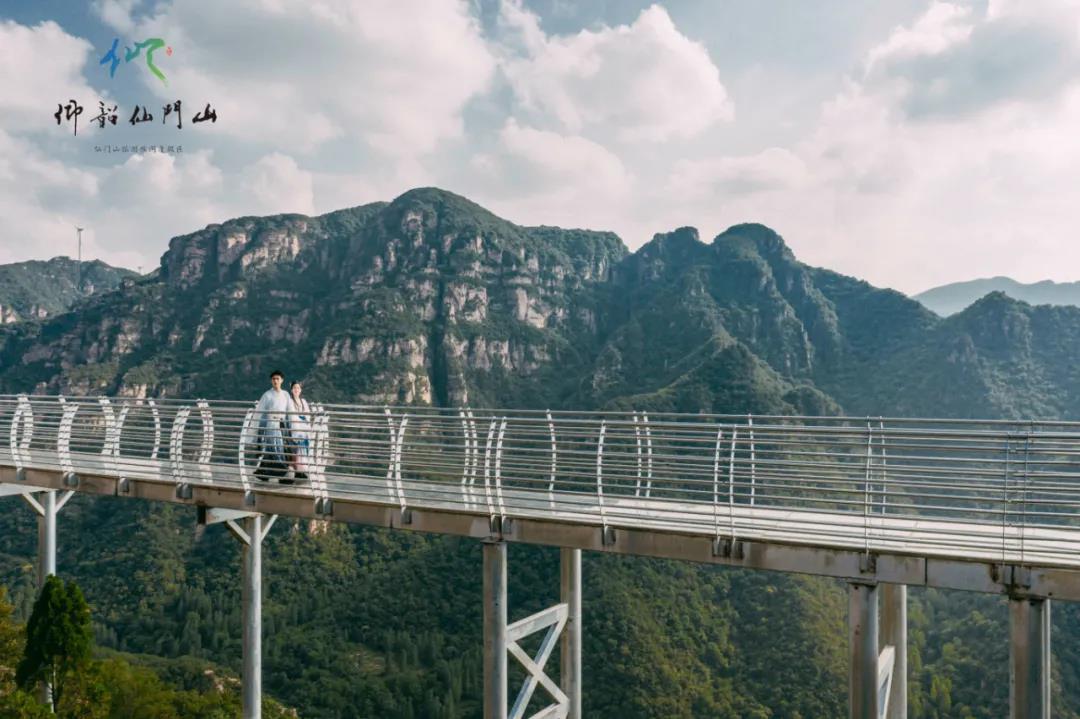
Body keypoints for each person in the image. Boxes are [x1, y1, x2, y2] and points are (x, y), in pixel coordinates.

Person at [254, 369, 290, 482]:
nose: (275, 381)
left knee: (280, 448)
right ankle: (282, 473)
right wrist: (259, 429)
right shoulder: (267, 395)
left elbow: (290, 410)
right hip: (271, 425)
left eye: (277, 379)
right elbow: (260, 412)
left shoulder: (285, 394)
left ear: (282, 380)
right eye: (273, 379)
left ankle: (264, 472)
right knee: (274, 448)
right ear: (271, 381)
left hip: (282, 425)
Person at [285, 380, 313, 481]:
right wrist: (301, 420)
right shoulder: (290, 401)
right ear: (291, 390)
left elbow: (307, 414)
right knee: (298, 443)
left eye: (298, 388)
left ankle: (301, 469)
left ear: (300, 390)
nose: (296, 390)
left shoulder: (303, 401)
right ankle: (298, 469)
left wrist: (304, 420)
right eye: (294, 388)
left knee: (305, 444)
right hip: (295, 426)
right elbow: (291, 415)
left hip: (303, 426)